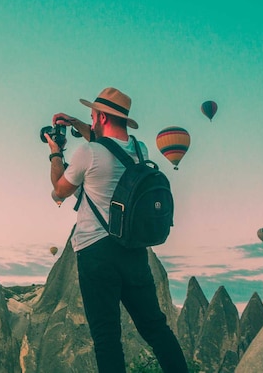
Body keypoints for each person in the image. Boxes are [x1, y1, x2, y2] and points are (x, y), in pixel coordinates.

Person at [45, 87, 188, 373]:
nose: (91, 119)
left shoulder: (88, 153)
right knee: (155, 327)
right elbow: (108, 145)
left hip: (96, 252)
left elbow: (59, 191)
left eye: (93, 115)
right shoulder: (140, 150)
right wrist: (76, 123)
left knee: (106, 337)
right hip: (134, 250)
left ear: (102, 117)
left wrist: (56, 153)